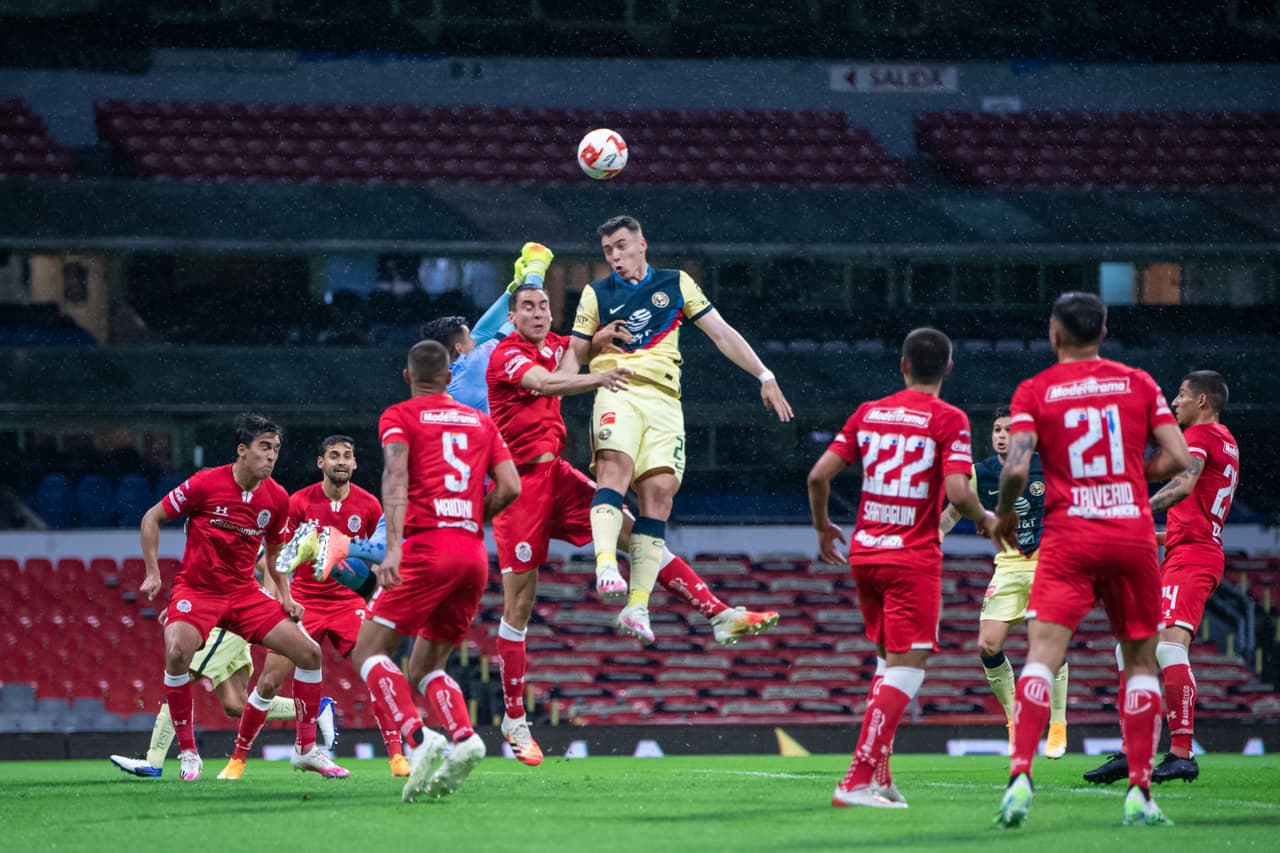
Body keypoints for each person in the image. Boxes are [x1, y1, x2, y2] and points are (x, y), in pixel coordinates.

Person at [487, 282, 781, 766]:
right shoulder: (507, 355)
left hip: (557, 474)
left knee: (633, 529)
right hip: (517, 487)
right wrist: (598, 379)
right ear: (513, 317)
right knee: (519, 606)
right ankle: (515, 721)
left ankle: (719, 614)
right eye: (528, 308)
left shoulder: (559, 344)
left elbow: (581, 345)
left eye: (543, 306)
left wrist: (609, 335)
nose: (538, 314)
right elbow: (546, 383)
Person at [992, 292, 1190, 829]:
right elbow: (1179, 458)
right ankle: (1141, 792)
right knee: (1141, 663)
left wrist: (1006, 514)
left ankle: (1020, 780)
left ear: (1054, 334)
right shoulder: (1138, 382)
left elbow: (1014, 471)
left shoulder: (1034, 390)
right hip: (1130, 533)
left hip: (1068, 537)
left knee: (1041, 658)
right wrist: (1127, 471)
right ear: (1103, 332)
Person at [569, 214, 793, 643]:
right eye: (607, 250)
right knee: (612, 469)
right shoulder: (595, 293)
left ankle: (637, 607)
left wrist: (764, 375)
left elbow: (721, 334)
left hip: (666, 402)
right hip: (618, 386)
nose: (614, 256)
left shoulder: (676, 283)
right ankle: (603, 565)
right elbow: (574, 355)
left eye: (620, 246)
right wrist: (593, 347)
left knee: (659, 498)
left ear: (641, 245)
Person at [808, 327, 996, 809]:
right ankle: (854, 780)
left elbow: (818, 475)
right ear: (948, 368)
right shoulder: (949, 418)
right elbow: (957, 493)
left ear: (903, 365)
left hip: (866, 552)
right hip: (910, 557)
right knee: (909, 668)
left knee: (886, 663)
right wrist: (987, 517)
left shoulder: (868, 412)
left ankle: (881, 778)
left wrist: (825, 527)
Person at [351, 340, 521, 803]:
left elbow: (396, 476)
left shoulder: (399, 417)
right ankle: (465, 738)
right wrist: (471, 519)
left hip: (425, 548)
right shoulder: (482, 422)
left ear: (407, 377)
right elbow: (511, 487)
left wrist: (391, 550)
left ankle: (419, 738)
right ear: (450, 378)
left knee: (367, 650)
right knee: (427, 664)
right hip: (471, 553)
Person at [138, 413, 348, 781]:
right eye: (264, 448)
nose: (271, 456)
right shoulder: (205, 484)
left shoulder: (277, 498)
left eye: (276, 449)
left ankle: (306, 750)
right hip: (197, 592)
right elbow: (151, 518)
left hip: (243, 592)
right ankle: (189, 753)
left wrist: (283, 594)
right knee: (177, 653)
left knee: (309, 652)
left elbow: (275, 552)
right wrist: (153, 573)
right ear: (242, 451)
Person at [216, 435, 406, 780]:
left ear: (356, 463)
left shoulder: (369, 506)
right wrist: (278, 601)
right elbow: (274, 559)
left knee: (376, 668)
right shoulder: (298, 502)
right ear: (321, 463)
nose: (341, 462)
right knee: (270, 681)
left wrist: (370, 584)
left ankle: (397, 756)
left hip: (348, 603)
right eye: (334, 456)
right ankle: (238, 759)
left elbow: (380, 558)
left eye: (348, 456)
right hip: (303, 600)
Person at [1083, 369, 1239, 787]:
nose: (1175, 401)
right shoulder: (1225, 440)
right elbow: (1189, 521)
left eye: (1182, 394)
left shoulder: (1202, 438)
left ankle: (1182, 753)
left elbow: (1184, 486)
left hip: (1193, 558)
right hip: (1186, 551)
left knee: (1169, 647)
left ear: (1203, 401)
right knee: (1129, 650)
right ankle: (1132, 751)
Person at [940, 408, 1069, 758]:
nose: (1000, 435)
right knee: (987, 645)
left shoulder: (1051, 465)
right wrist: (932, 536)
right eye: (997, 429)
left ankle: (1058, 723)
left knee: (1048, 642)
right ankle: (1016, 720)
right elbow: (954, 510)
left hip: (1049, 561)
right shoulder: (981, 472)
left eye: (1009, 429)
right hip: (1009, 565)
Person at [109, 625, 299, 777]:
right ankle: (315, 709)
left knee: (180, 677)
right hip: (229, 618)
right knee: (236, 704)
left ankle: (154, 761)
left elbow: (267, 577)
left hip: (229, 621)